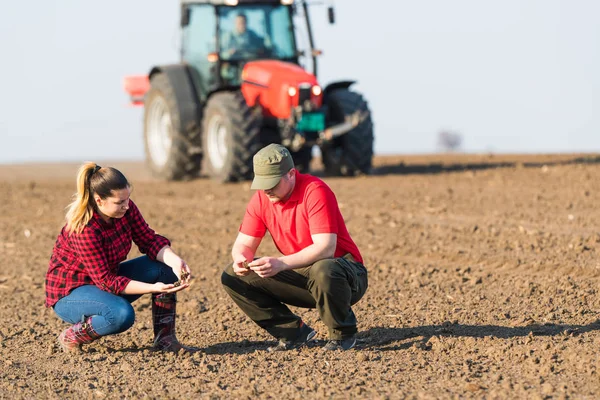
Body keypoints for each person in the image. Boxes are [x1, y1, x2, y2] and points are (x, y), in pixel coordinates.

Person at [221, 144, 368, 351]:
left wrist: (280, 263)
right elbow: (243, 244)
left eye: (272, 182)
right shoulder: (262, 200)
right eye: (262, 184)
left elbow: (325, 248)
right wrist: (241, 258)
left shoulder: (315, 191)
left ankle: (342, 335)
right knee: (232, 276)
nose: (266, 189)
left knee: (324, 268)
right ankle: (293, 333)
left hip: (345, 276)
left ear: (291, 174)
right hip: (301, 273)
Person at [45, 162, 195, 353]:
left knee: (164, 269)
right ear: (99, 200)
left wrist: (175, 261)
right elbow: (107, 282)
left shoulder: (126, 210)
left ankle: (165, 341)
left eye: (127, 199)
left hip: (104, 280)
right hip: (71, 292)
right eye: (119, 203)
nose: (126, 206)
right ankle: (72, 335)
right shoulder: (84, 229)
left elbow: (148, 240)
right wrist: (153, 288)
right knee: (121, 314)